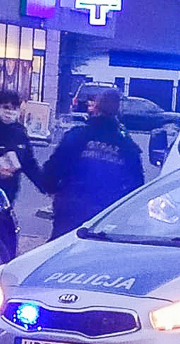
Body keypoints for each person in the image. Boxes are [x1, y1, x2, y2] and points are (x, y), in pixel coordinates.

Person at [41, 88, 144, 239]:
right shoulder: (126, 145)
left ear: (96, 107)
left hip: (71, 205)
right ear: (117, 112)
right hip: (105, 212)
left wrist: (52, 189)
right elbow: (136, 183)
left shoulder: (77, 135)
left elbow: (53, 167)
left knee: (61, 249)